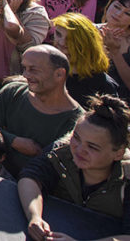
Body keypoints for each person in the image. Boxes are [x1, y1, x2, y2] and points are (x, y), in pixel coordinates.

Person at [19, 95, 130, 238]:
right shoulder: (61, 154)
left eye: (92, 147)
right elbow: (30, 177)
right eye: (76, 138)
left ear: (118, 153)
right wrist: (34, 216)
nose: (79, 150)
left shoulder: (126, 179)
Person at [0, 45, 85, 176]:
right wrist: (14, 141)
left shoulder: (77, 120)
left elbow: (56, 163)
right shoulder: (12, 92)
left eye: (33, 70)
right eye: (25, 68)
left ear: (59, 74)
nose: (26, 75)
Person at [52, 12, 120, 107]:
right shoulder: (46, 67)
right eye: (58, 34)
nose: (62, 43)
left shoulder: (103, 84)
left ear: (85, 43)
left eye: (70, 39)